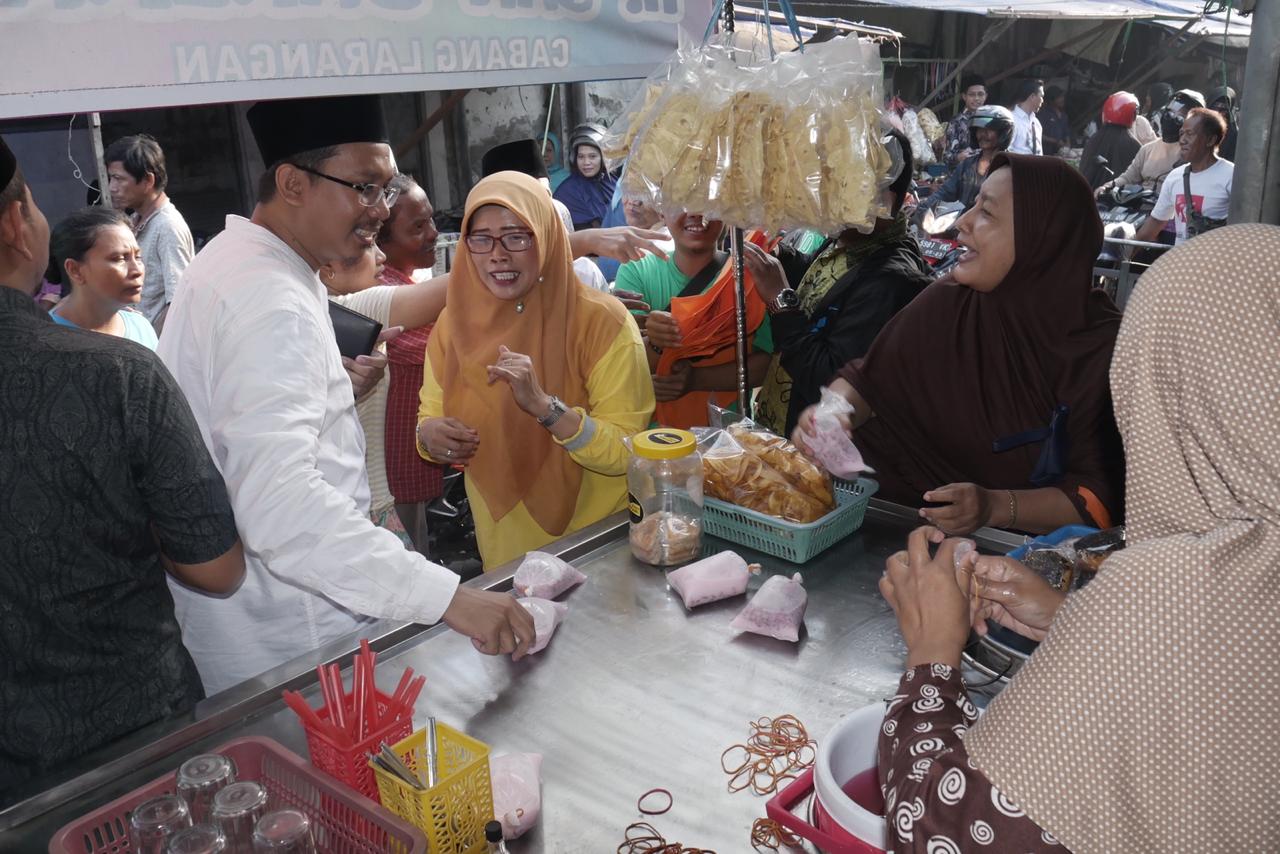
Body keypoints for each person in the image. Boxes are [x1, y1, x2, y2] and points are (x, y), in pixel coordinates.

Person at [877, 223, 1280, 852]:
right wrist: (1077, 622)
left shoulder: (1181, 592)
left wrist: (931, 657)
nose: (963, 224)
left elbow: (942, 834)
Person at [157, 95, 535, 694]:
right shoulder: (268, 298)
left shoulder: (237, 262)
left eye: (385, 190)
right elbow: (279, 505)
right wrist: (446, 597)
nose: (379, 212)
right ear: (292, 183)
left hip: (279, 617)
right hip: (295, 631)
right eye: (364, 187)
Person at [0, 135, 244, 798]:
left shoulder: (131, 349)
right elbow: (217, 567)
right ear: (17, 226)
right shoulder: (118, 376)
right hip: (131, 738)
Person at [796, 154, 1124, 536]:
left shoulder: (1103, 353)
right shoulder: (950, 300)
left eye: (986, 213)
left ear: (1043, 238)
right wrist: (834, 413)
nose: (961, 224)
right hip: (873, 522)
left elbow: (1098, 501)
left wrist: (995, 506)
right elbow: (867, 381)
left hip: (1003, 559)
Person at [416, 171, 654, 569]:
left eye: (516, 235)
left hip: (597, 547)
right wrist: (431, 437)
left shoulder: (602, 322)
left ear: (545, 236)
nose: (498, 254)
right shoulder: (452, 327)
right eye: (481, 238)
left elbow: (628, 451)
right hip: (506, 555)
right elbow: (429, 418)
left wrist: (547, 408)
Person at [750, 130, 930, 438]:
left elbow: (830, 381)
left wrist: (781, 301)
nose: (825, 200)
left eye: (840, 188)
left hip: (818, 454)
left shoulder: (892, 281)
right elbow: (823, 289)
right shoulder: (848, 241)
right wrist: (783, 256)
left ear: (881, 198)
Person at [614, 210, 773, 430]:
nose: (696, 214)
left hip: (729, 439)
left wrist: (696, 379)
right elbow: (623, 365)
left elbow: (768, 364)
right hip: (654, 439)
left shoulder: (749, 275)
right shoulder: (637, 271)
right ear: (663, 210)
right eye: (681, 202)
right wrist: (657, 343)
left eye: (706, 203)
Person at [482, 138, 608, 291]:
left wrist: (608, 304)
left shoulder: (583, 272)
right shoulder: (486, 277)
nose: (542, 204)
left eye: (545, 194)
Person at [104, 134, 194, 331]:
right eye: (111, 178)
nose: (112, 188)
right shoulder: (135, 221)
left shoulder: (168, 226)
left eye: (119, 179)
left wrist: (154, 346)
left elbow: (180, 303)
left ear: (147, 180)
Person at [46, 206, 159, 348]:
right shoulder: (47, 340)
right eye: (119, 258)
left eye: (138, 256)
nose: (137, 270)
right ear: (75, 270)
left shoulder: (141, 328)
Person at [1134, 107, 1232, 248]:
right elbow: (1155, 222)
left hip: (1215, 266)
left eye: (1190, 134)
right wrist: (1124, 255)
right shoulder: (1175, 176)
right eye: (1182, 134)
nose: (1182, 140)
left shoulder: (1231, 176)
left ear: (1210, 140)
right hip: (1182, 265)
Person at [1097, 88, 1202, 198]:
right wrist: (1107, 186)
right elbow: (1128, 177)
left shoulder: (1192, 154)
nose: (1171, 117)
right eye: (1170, 112)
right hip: (1139, 207)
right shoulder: (1147, 149)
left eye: (1179, 116)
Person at [917, 106, 1013, 214]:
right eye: (979, 130)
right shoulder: (968, 164)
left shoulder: (1010, 167)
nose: (982, 134)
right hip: (963, 224)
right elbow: (946, 192)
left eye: (988, 130)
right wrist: (921, 208)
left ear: (1004, 133)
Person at [552, 123, 617, 230]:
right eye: (581, 156)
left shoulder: (612, 182)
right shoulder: (567, 192)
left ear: (603, 157)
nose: (586, 162)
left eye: (592, 156)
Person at [1080, 91, 1142, 190]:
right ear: (1133, 115)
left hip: (1088, 197)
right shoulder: (1133, 144)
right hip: (1117, 200)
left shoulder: (1093, 140)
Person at [944, 74, 988, 168]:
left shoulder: (991, 121)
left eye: (980, 94)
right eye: (972, 94)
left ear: (986, 96)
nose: (976, 98)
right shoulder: (956, 123)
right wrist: (958, 157)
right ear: (964, 96)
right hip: (962, 176)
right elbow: (946, 157)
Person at [1008, 79, 1045, 155]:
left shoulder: (1037, 123)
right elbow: (1006, 152)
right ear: (1032, 96)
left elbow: (1040, 154)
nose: (1042, 100)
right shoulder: (1011, 120)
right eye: (1041, 96)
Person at [1207, 85, 1238, 161]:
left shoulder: (1233, 134)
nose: (1218, 112)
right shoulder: (1198, 126)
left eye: (1223, 109)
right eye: (1215, 107)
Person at [1039, 85, 1070, 155]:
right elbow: (1038, 135)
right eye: (1059, 97)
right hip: (1046, 153)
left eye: (1062, 97)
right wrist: (1055, 141)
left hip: (1061, 153)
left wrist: (1068, 145)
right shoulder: (1043, 114)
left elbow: (1066, 133)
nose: (1062, 99)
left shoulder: (1064, 115)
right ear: (1051, 100)